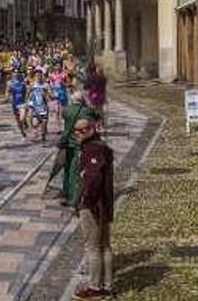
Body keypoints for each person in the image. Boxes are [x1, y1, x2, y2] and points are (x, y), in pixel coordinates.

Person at [73, 119, 114, 300]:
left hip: (94, 207)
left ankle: (95, 288)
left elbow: (94, 177)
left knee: (93, 247)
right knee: (104, 246)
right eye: (77, 130)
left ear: (91, 129)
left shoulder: (92, 149)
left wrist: (86, 199)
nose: (78, 133)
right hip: (105, 204)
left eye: (83, 130)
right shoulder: (101, 146)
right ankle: (107, 285)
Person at [27, 72, 51, 142]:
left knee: (44, 124)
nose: (39, 77)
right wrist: (29, 101)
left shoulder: (46, 85)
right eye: (37, 76)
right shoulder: (32, 84)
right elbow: (28, 94)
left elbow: (50, 95)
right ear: (35, 76)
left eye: (40, 75)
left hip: (43, 107)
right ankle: (35, 132)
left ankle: (43, 137)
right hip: (35, 106)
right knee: (35, 122)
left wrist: (46, 94)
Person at [7, 71, 28, 139]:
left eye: (17, 72)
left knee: (21, 119)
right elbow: (7, 92)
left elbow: (27, 93)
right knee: (18, 122)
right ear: (12, 74)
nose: (16, 74)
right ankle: (23, 133)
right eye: (14, 72)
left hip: (22, 103)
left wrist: (27, 102)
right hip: (15, 103)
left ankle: (24, 122)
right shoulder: (10, 83)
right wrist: (7, 97)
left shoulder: (23, 82)